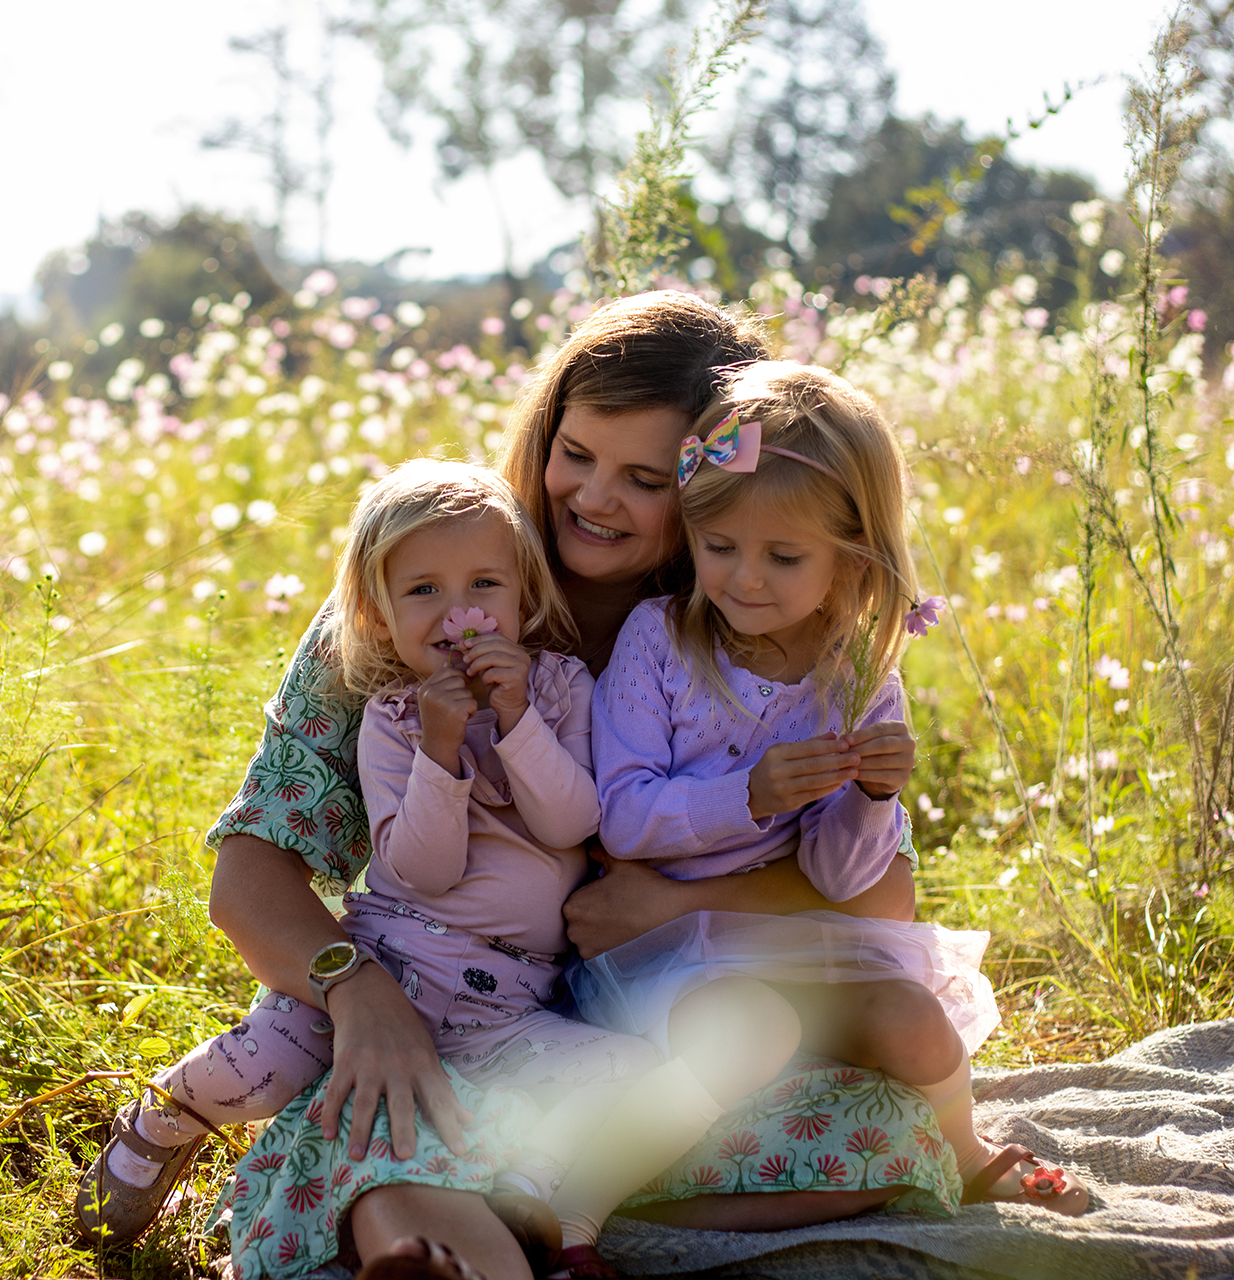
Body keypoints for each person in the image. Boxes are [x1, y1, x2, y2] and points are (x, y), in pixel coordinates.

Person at [105, 293, 953, 1280]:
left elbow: (882, 898)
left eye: (644, 478)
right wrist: (360, 994)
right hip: (425, 1003)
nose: (593, 498)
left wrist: (680, 900)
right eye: (575, 452)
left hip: (637, 1042)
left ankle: (556, 1212)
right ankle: (458, 1246)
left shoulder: (761, 636)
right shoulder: (424, 594)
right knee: (399, 1112)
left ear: (709, 497)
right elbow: (249, 878)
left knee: (877, 1132)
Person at [515, 362, 1090, 1263]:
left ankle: (969, 1153)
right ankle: (584, 1200)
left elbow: (840, 877)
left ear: (852, 558)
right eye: (718, 546)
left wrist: (871, 797)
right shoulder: (661, 641)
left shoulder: (858, 675)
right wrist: (748, 795)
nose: (744, 580)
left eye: (784, 557)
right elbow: (623, 819)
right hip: (663, 957)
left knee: (912, 1016)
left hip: (799, 941)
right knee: (755, 1028)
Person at [77, 460, 663, 1258]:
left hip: (506, 1009)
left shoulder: (559, 689)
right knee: (262, 1070)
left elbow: (571, 820)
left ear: (524, 596)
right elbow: (424, 869)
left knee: (626, 1079)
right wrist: (443, 753)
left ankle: (537, 1196)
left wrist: (519, 720)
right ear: (378, 617)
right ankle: (164, 1119)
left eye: (485, 585)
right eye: (423, 591)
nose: (460, 613)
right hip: (387, 964)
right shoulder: (393, 719)